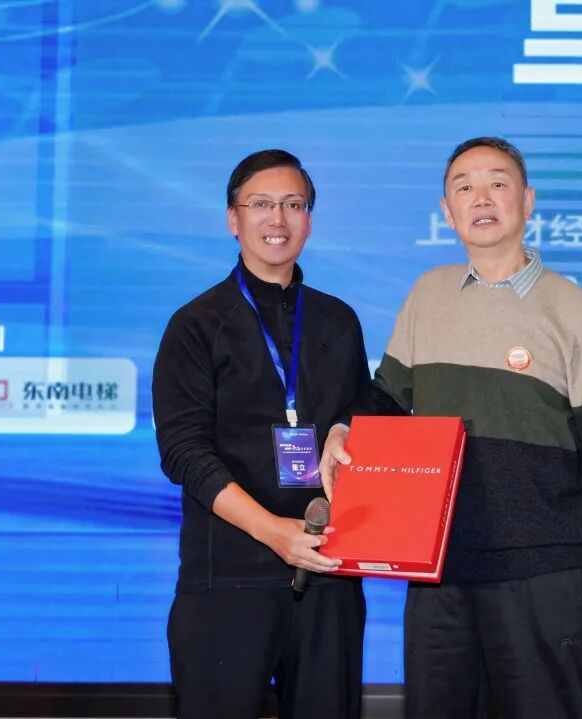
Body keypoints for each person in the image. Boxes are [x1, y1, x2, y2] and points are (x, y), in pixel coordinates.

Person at [320, 136, 582, 719]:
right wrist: (346, 427)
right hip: (438, 569)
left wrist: (577, 562)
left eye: (498, 182)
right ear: (447, 212)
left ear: (527, 201)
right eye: (464, 187)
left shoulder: (573, 309)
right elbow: (386, 397)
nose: (482, 197)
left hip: (544, 573)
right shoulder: (428, 294)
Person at [153, 149, 369, 719]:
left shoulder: (339, 320)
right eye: (261, 204)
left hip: (329, 574)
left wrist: (347, 427)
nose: (278, 219)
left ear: (309, 219)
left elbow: (360, 413)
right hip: (228, 578)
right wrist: (272, 531)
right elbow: (183, 452)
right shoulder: (196, 325)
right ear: (233, 218)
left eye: (294, 205)